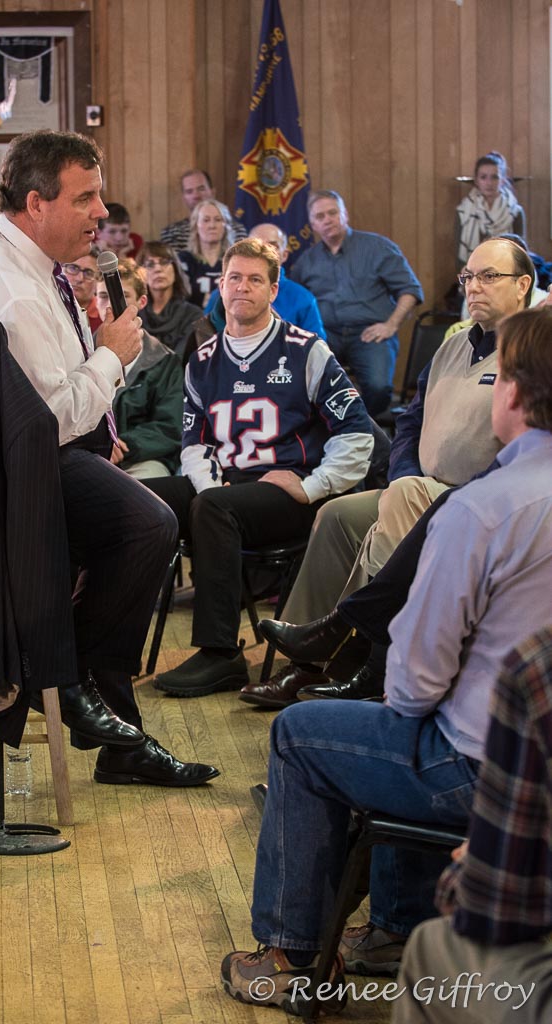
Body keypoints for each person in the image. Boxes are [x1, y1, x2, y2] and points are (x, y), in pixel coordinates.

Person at [220, 305, 552, 1015]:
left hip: (493, 779)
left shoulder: (482, 509)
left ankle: (293, 957)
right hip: (531, 768)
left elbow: (413, 682)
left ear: (515, 394)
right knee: (409, 721)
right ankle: (398, 927)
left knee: (307, 736)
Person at [0, 129, 215, 787]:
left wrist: (97, 412)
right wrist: (112, 356)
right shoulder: (5, 291)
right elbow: (46, 421)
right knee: (145, 525)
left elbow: (47, 401)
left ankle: (107, 724)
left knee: (132, 521)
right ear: (37, 203)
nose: (103, 213)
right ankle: (61, 674)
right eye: (88, 198)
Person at [245, 236, 534, 708]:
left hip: (477, 499)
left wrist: (413, 489)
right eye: (469, 277)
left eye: (489, 276)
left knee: (396, 509)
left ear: (522, 285)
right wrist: (402, 473)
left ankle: (357, 661)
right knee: (338, 516)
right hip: (418, 484)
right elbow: (410, 421)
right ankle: (306, 662)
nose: (474, 287)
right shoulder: (453, 345)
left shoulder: (530, 352)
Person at [146, 238, 374, 698]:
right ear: (220, 287)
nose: (242, 288)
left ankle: (221, 654)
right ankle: (112, 636)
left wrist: (315, 485)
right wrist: (211, 485)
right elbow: (193, 445)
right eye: (234, 278)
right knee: (148, 496)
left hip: (287, 494)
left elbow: (359, 433)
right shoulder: (203, 362)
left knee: (214, 509)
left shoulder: (306, 350)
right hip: (226, 488)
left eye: (255, 279)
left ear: (274, 290)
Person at [393, 628, 552, 1024]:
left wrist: (474, 861)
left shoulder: (538, 668)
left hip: (466, 755)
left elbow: (493, 909)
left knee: (431, 946)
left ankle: (292, 956)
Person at [290, 189, 423, 415]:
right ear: (312, 224)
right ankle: (330, 430)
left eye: (333, 213)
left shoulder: (378, 247)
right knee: (298, 380)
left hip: (369, 333)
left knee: (379, 387)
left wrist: (390, 325)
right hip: (325, 334)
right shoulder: (306, 262)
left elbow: (410, 290)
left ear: (345, 214)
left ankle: (360, 429)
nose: (327, 220)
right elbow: (295, 302)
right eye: (320, 216)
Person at [95, 257, 183, 478]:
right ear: (95, 301)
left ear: (142, 302)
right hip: (88, 456)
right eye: (104, 296)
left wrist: (123, 445)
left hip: (142, 458)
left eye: (123, 297)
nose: (112, 305)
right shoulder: (77, 353)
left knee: (148, 487)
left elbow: (171, 427)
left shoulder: (164, 361)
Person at [204, 222, 325, 337]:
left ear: (285, 255)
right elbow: (204, 337)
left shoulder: (303, 298)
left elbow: (316, 348)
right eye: (255, 246)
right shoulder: (222, 295)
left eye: (273, 246)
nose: (264, 252)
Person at [456, 152, 525, 270]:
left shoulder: (515, 212)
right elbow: (460, 252)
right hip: (473, 273)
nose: (489, 182)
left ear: (502, 180)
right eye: (483, 177)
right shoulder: (464, 211)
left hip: (506, 273)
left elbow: (520, 253)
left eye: (495, 177)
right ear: (477, 180)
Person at [137, 241, 201, 359]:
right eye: (150, 264)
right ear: (141, 273)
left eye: (164, 262)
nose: (158, 269)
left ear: (175, 268)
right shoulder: (135, 315)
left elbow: (180, 359)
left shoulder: (192, 315)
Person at [159, 168, 246, 252]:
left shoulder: (236, 230)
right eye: (189, 191)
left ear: (212, 192)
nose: (196, 195)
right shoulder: (171, 234)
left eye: (201, 189)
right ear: (184, 198)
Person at [178, 199, 238, 308]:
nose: (212, 225)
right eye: (206, 220)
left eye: (218, 220)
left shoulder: (235, 260)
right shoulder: (184, 260)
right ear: (196, 225)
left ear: (226, 225)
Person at [62, 249, 102, 334]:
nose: (79, 278)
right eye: (73, 268)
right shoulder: (47, 306)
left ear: (98, 280)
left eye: (88, 273)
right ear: (61, 270)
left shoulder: (104, 317)